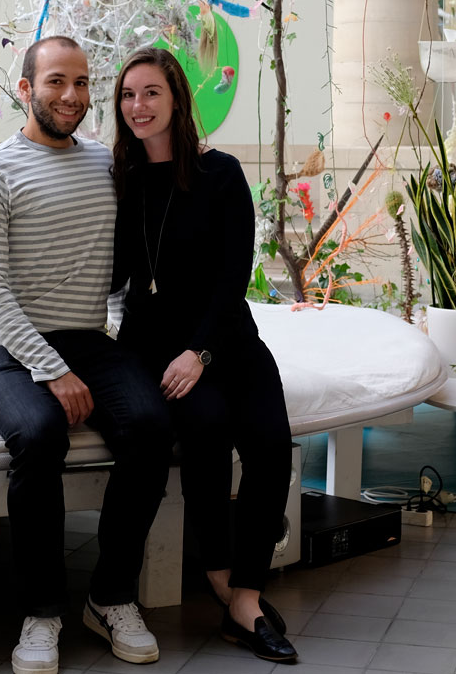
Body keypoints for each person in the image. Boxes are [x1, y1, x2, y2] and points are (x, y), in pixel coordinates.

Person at [0, 36, 173, 674]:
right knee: (39, 431)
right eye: (56, 82)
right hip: (7, 348)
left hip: (88, 341)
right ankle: (41, 612)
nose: (72, 96)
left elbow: (118, 270)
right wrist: (49, 368)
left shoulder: (107, 166)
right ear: (25, 89)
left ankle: (110, 597)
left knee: (150, 425)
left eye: (81, 83)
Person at [110, 46, 300, 664]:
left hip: (224, 337)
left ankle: (244, 591)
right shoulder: (120, 176)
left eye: (151, 93)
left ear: (177, 100)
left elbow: (232, 275)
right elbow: (113, 273)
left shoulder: (220, 173)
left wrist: (200, 351)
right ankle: (222, 581)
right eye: (128, 95)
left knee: (271, 442)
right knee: (207, 432)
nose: (138, 107)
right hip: (152, 345)